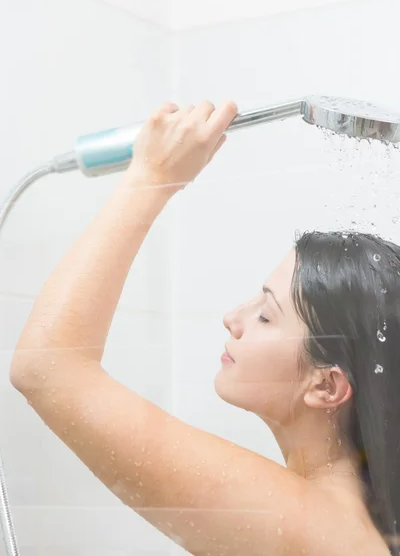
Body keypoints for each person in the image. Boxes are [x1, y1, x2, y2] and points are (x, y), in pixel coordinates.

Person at [10, 100, 400, 556]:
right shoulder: (344, 519)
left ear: (326, 386)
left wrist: (151, 175)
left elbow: (46, 369)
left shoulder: (306, 523)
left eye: (266, 314)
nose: (232, 318)